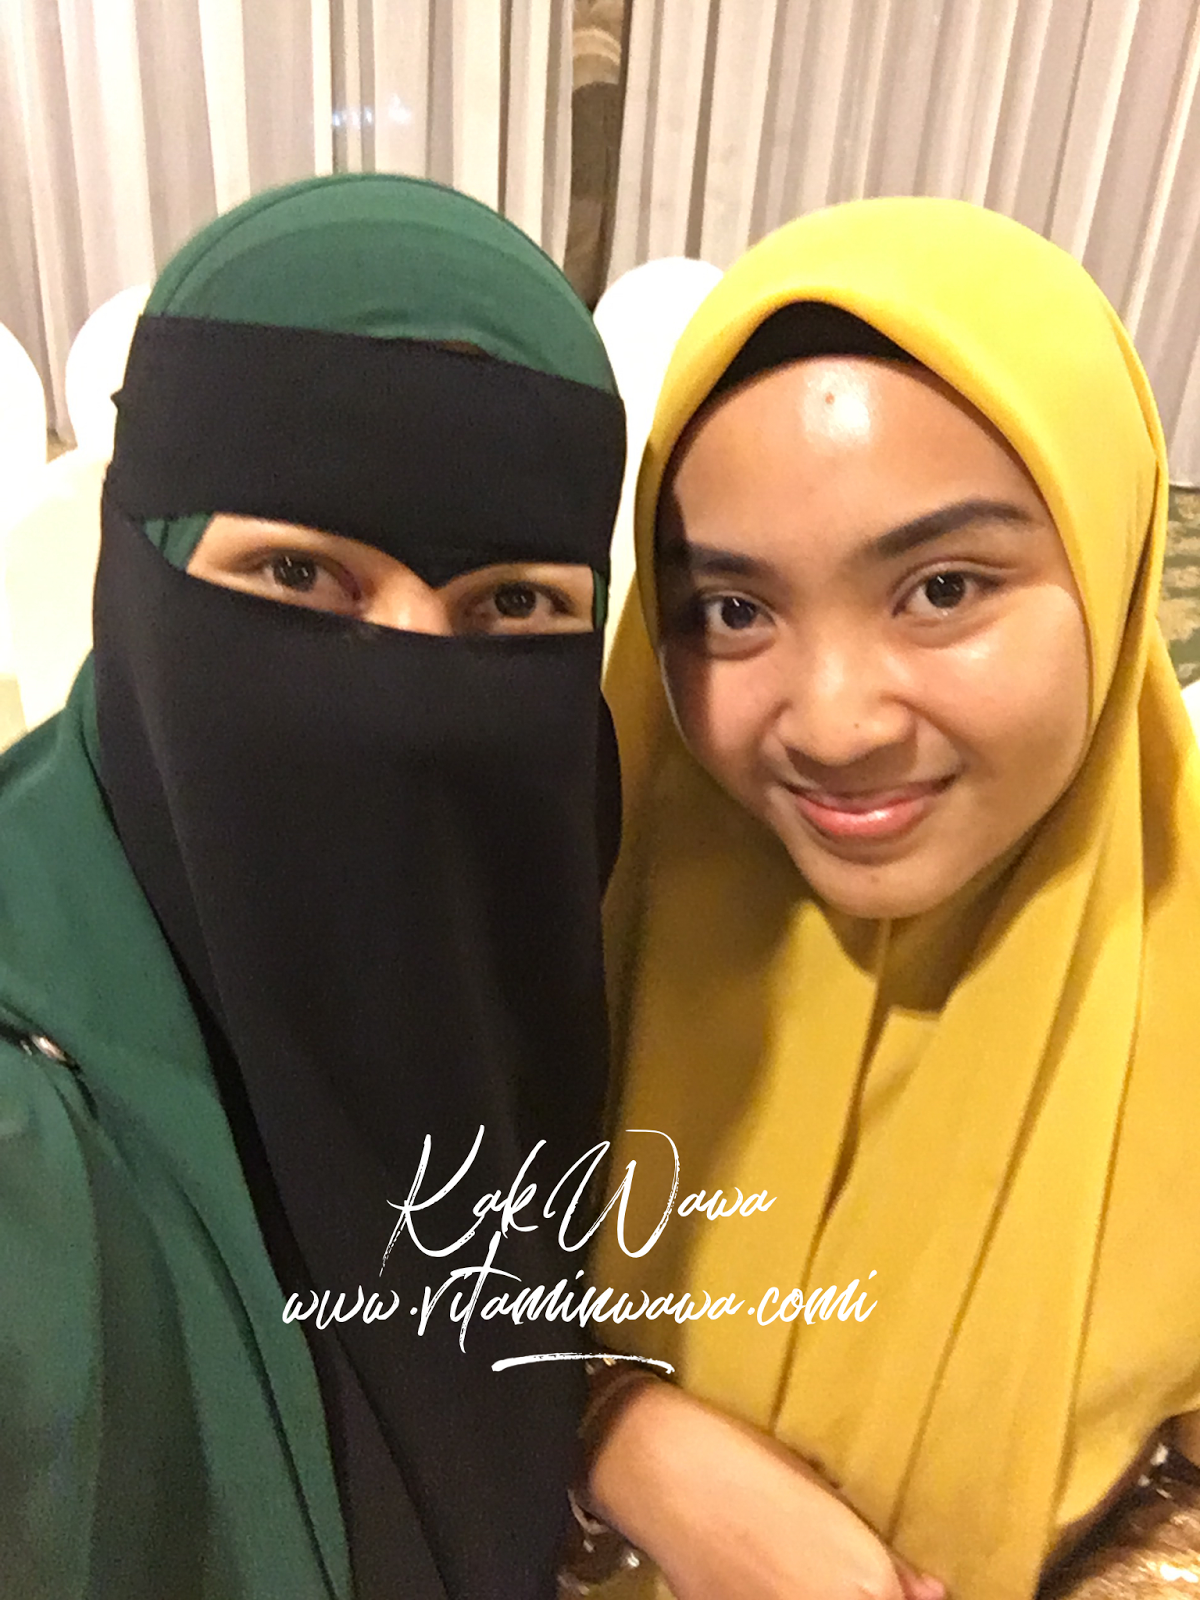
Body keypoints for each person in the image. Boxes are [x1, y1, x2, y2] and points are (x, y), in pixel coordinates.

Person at [0, 173, 626, 1600]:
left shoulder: (564, 930)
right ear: (139, 563)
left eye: (513, 604)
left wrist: (618, 1429)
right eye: (298, 574)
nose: (405, 683)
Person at [574, 197, 1200, 1600]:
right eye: (732, 610)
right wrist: (620, 1438)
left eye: (943, 588)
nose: (835, 722)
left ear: (1110, 565)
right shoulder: (566, 921)